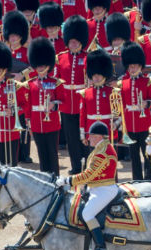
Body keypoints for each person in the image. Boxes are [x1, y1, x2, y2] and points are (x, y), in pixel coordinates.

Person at [56, 122, 118, 250]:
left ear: (99, 136)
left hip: (104, 189)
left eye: (92, 136)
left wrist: (68, 180)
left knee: (87, 214)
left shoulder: (103, 152)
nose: (89, 138)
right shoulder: (101, 148)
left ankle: (101, 247)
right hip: (97, 187)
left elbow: (89, 175)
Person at [116, 41, 151, 180]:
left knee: (147, 154)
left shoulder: (148, 82)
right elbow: (120, 104)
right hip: (130, 126)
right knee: (134, 157)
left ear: (141, 66)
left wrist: (146, 104)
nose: (132, 69)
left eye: (135, 66)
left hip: (144, 125)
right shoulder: (122, 83)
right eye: (130, 66)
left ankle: (149, 178)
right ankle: (137, 180)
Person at [25, 37, 64, 176]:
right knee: (41, 154)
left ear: (48, 65)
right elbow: (28, 105)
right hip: (36, 123)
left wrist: (54, 105)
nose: (40, 67)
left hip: (52, 123)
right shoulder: (30, 84)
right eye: (38, 65)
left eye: (43, 65)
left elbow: (62, 100)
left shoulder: (56, 82)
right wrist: (28, 122)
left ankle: (56, 180)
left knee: (52, 154)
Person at [55, 15, 88, 175]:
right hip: (67, 103)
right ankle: (76, 166)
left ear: (81, 41)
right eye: (71, 41)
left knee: (84, 136)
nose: (73, 43)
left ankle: (87, 165)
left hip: (83, 102)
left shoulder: (87, 57)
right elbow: (57, 80)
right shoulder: (61, 58)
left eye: (76, 41)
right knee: (71, 137)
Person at [2, 10, 32, 163]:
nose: (13, 38)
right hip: (8, 89)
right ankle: (15, 151)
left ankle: (25, 153)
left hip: (23, 89)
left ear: (21, 36)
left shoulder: (26, 51)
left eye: (16, 35)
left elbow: (33, 67)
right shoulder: (5, 52)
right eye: (11, 35)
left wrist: (23, 75)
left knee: (23, 119)